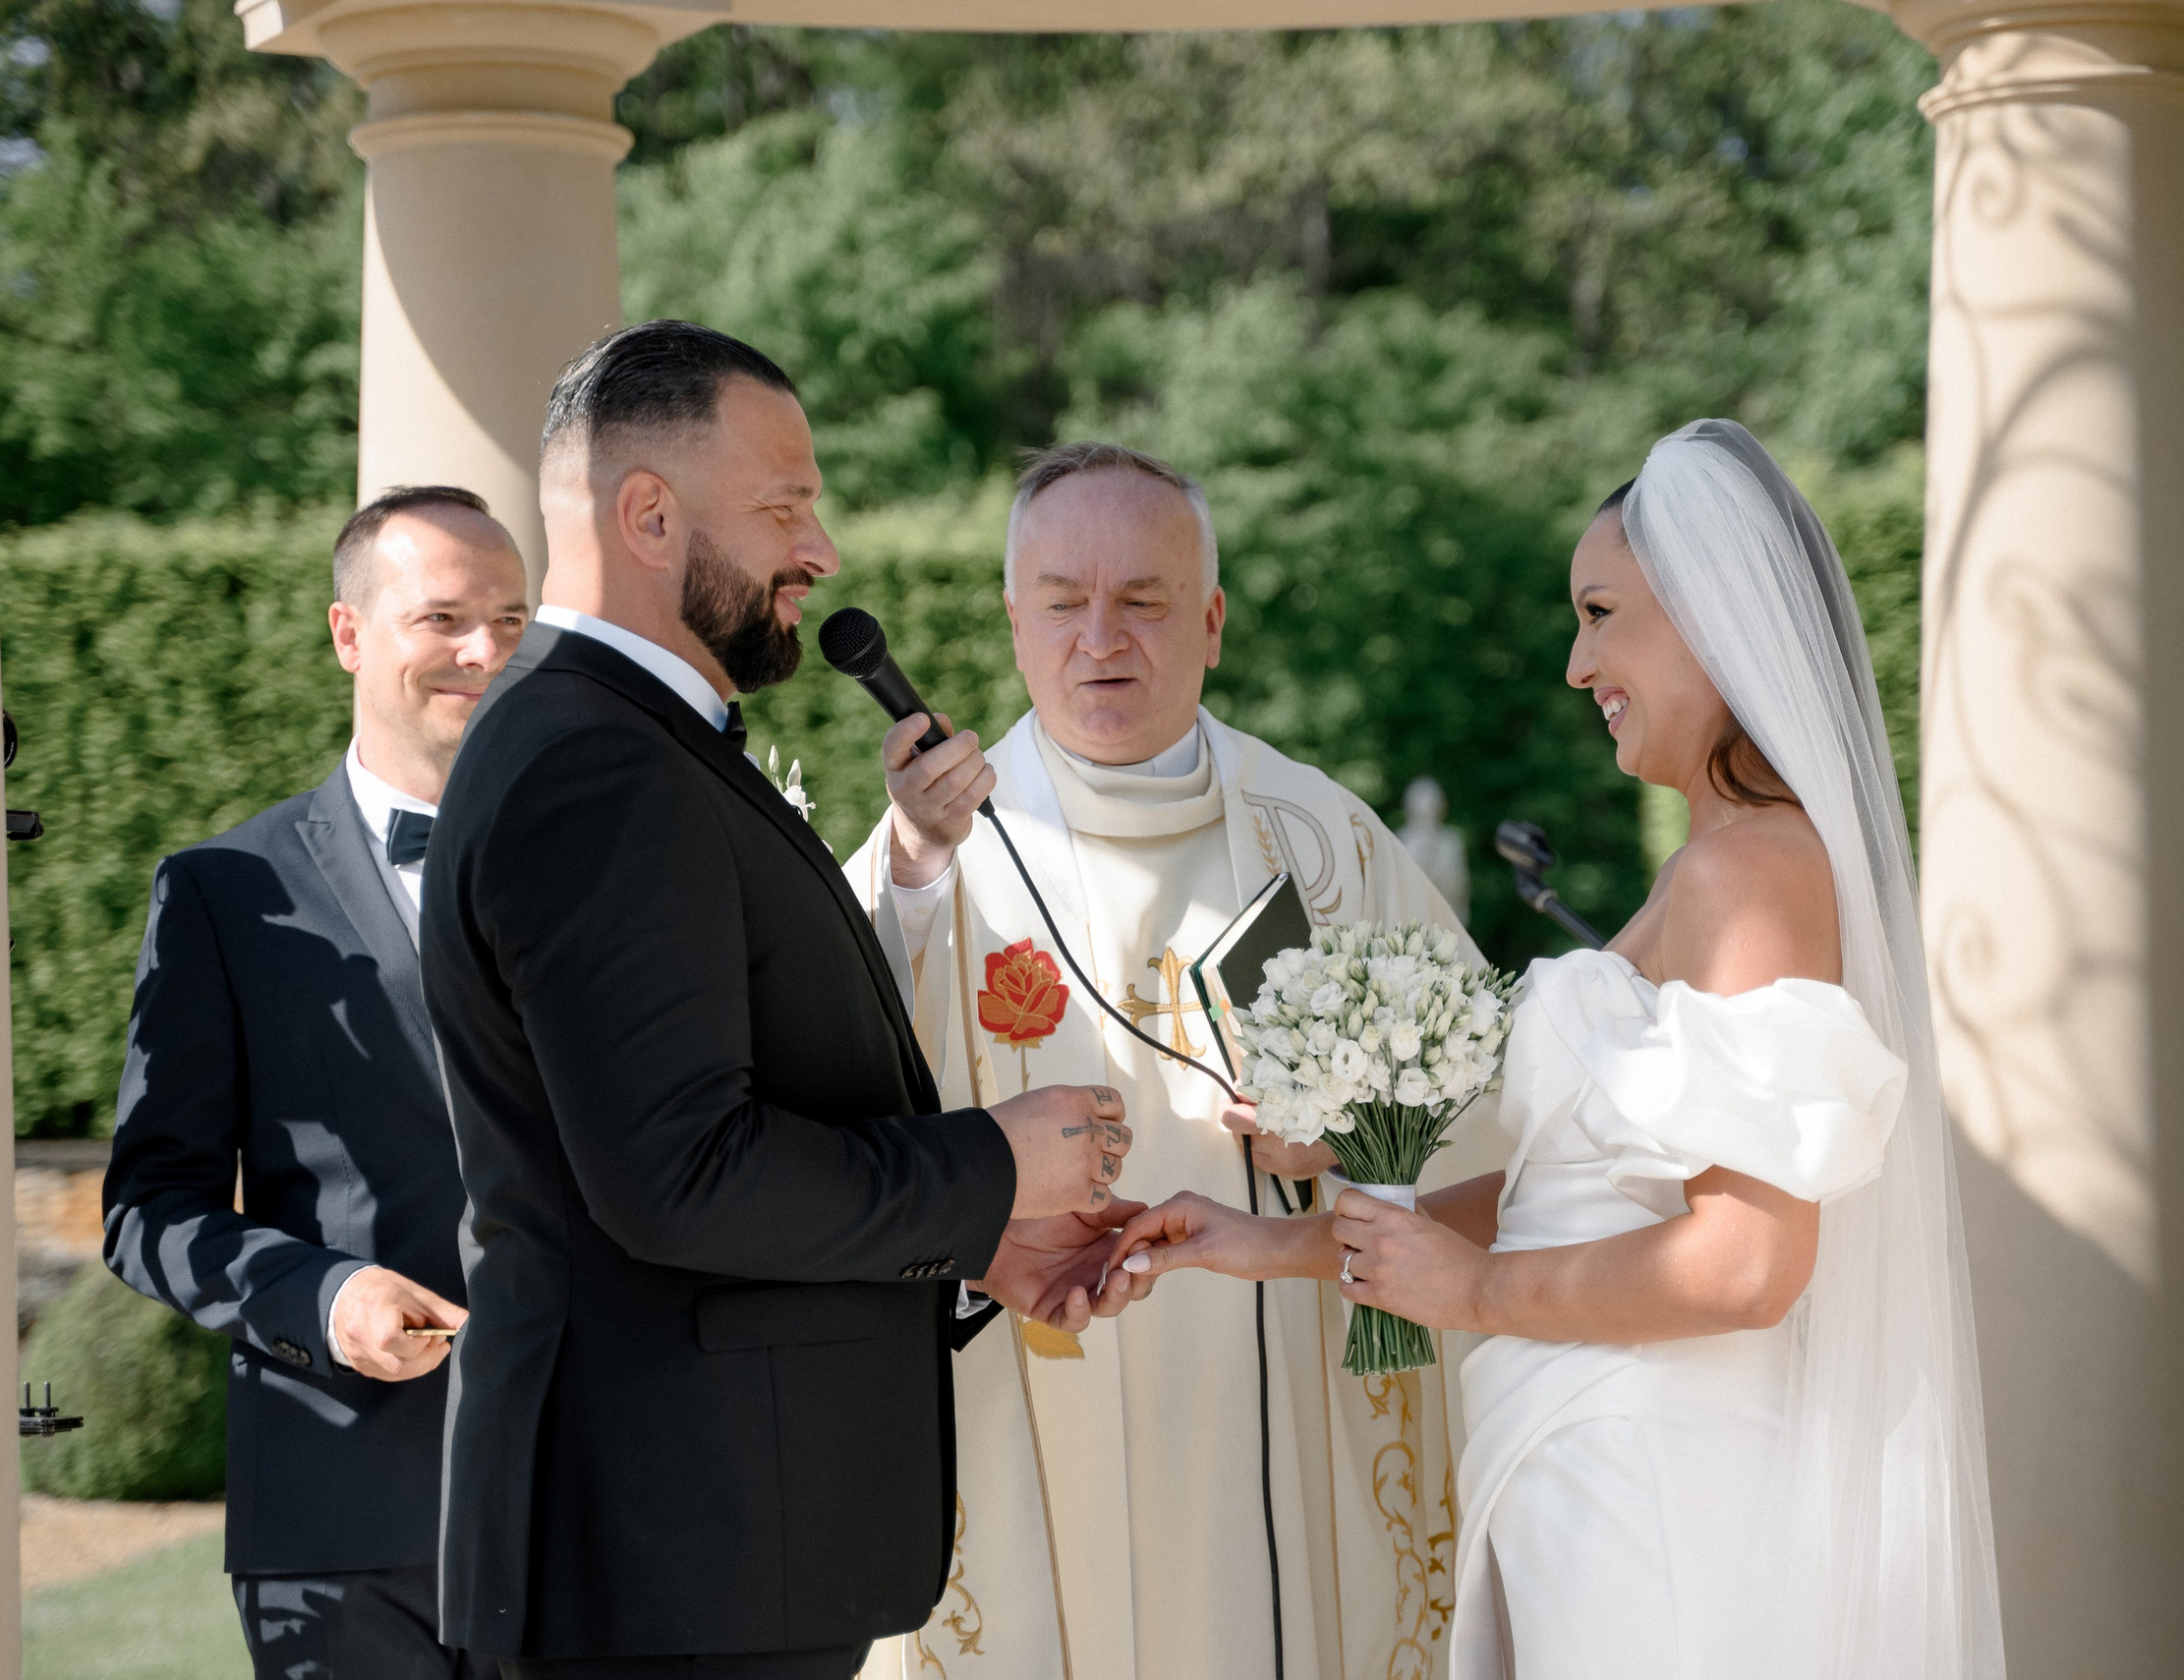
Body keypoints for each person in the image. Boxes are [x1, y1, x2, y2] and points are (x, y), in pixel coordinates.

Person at [1110, 421, 2004, 1679]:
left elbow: (1747, 1260)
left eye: (1600, 613)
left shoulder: (1749, 872)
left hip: (1662, 1500)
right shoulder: (1709, 866)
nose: (1578, 664)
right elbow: (1557, 1199)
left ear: (1709, 616)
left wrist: (1467, 1296)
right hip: (1597, 1475)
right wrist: (1272, 1242)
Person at [418, 322, 1149, 1680]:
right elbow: (679, 1176)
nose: (820, 552)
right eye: (784, 507)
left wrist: (974, 1239)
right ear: (647, 513)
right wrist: (989, 1163)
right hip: (665, 1566)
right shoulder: (597, 765)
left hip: (689, 1558)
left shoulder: (627, 744)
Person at [844, 442, 1498, 1680]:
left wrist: (1350, 1137)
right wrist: (914, 876)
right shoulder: (936, 842)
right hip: (1025, 1376)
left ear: (1208, 621)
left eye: (1143, 601)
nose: (1102, 636)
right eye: (1062, 600)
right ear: (1012, 618)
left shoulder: (1317, 839)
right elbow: (835, 1083)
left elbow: (1487, 1107)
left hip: (1281, 1372)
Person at [103, 485, 532, 1679]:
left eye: (509, 616)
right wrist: (321, 1293)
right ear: (349, 633)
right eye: (441, 616)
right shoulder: (223, 893)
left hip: (595, 1505)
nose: (484, 650)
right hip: (344, 1519)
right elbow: (150, 1209)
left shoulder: (610, 874)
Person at [1396, 775, 1471, 923]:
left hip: (1446, 921)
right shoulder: (1402, 840)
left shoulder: (1450, 841)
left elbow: (1459, 887)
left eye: (1432, 805)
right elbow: (1396, 888)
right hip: (1409, 922)